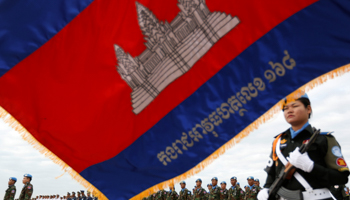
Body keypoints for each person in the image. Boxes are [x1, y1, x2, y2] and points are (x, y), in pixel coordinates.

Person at [258, 93, 350, 200]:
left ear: (308, 109)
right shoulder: (278, 142)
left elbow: (341, 178)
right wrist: (266, 188)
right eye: (285, 108)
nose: (289, 110)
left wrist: (311, 167)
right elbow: (272, 174)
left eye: (295, 106)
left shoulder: (324, 139)